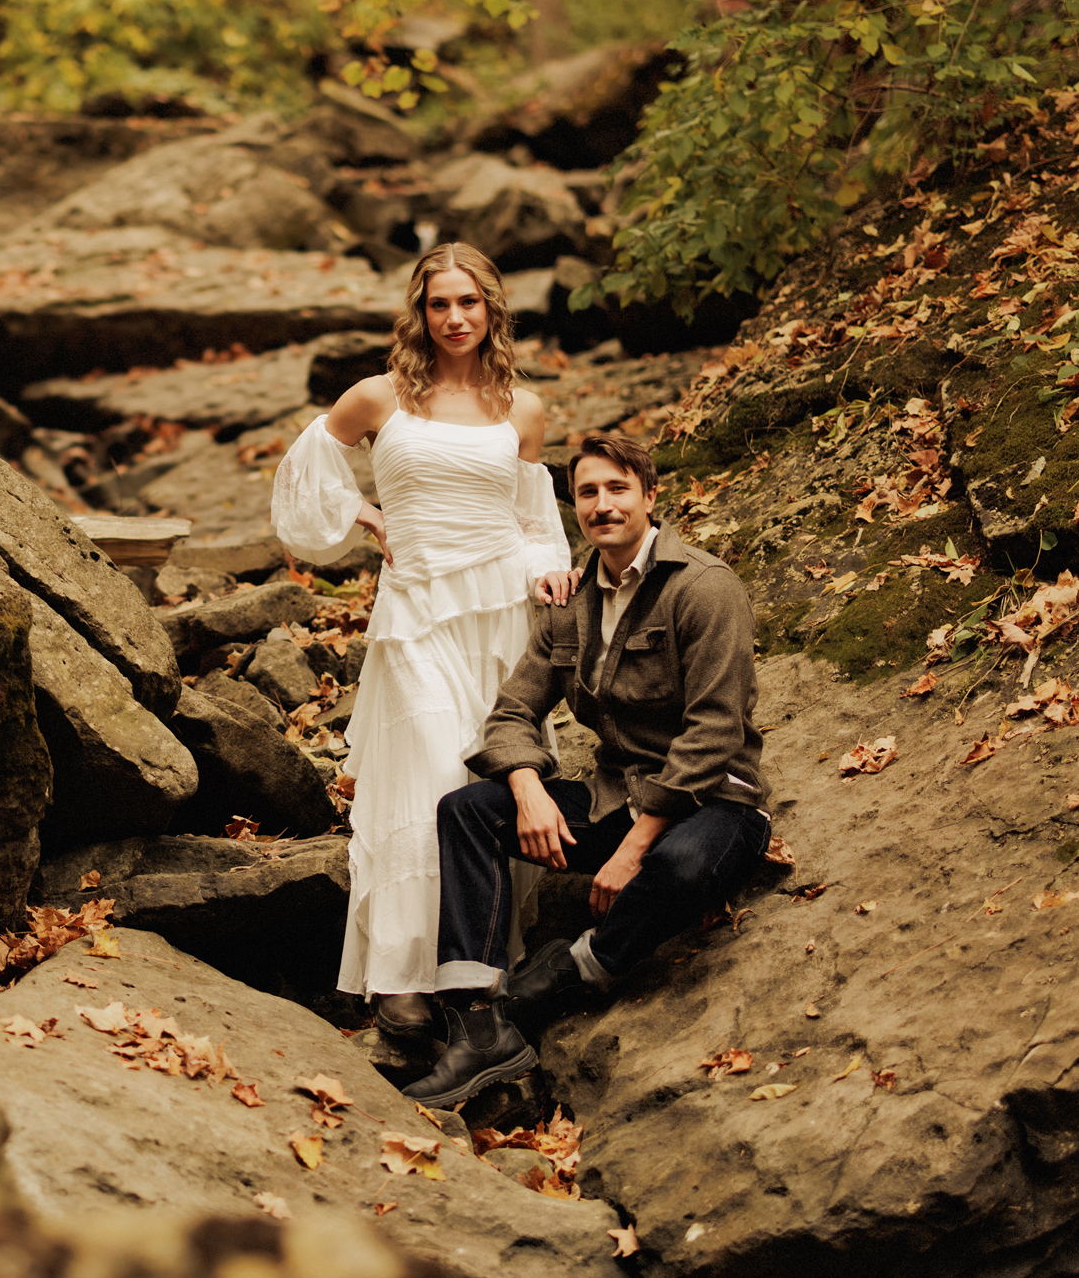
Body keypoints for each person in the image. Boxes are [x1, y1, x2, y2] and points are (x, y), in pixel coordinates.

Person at [401, 430, 774, 1108]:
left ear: (650, 496)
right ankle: (476, 1017)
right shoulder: (569, 603)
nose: (603, 505)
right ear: (574, 506)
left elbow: (716, 729)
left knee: (678, 867)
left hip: (715, 805)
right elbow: (512, 712)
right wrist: (527, 788)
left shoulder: (704, 588)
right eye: (588, 493)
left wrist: (635, 846)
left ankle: (558, 981)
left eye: (617, 489)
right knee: (467, 811)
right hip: (616, 798)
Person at [271, 244, 579, 1046]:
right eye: (440, 304)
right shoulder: (381, 397)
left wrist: (550, 574)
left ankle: (472, 972)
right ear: (420, 311)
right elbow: (307, 470)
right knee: (430, 779)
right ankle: (399, 980)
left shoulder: (523, 408)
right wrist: (363, 515)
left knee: (488, 789)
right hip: (413, 614)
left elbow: (535, 522)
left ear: (491, 309)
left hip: (498, 616)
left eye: (469, 303)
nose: (454, 318)